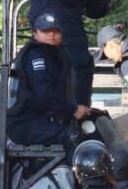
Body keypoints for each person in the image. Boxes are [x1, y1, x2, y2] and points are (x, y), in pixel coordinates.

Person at [6, 12, 92, 151]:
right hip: (25, 123)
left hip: (40, 119)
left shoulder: (55, 55)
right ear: (35, 33)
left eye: (56, 30)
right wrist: (73, 109)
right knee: (73, 139)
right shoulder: (36, 56)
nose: (51, 34)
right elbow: (45, 94)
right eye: (46, 31)